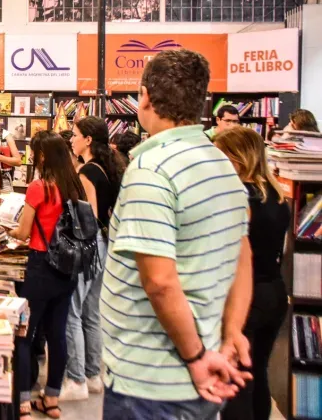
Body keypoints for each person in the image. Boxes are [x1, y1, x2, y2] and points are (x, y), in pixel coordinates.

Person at [100, 49, 252, 420]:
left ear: (145, 96)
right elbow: (241, 253)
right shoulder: (221, 163)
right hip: (199, 365)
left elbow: (159, 282)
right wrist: (232, 330)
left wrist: (197, 358)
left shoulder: (151, 169)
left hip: (150, 380)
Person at [215, 127, 291, 420]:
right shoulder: (277, 195)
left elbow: (231, 250)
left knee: (236, 379)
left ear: (236, 159)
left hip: (245, 295)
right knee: (258, 371)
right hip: (274, 289)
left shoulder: (239, 197)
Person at [9, 131, 86, 419]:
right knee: (57, 334)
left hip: (40, 265)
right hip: (67, 269)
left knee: (25, 334)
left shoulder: (38, 187)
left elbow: (25, 232)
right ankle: (51, 399)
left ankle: (24, 403)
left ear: (41, 156)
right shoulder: (75, 185)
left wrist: (8, 229)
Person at [59, 117, 124, 401]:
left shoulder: (86, 171)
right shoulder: (108, 168)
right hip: (104, 244)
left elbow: (87, 216)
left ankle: (75, 380)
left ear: (88, 140)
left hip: (87, 243)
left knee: (71, 311)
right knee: (92, 312)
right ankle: (93, 374)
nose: (71, 140)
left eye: (75, 135)